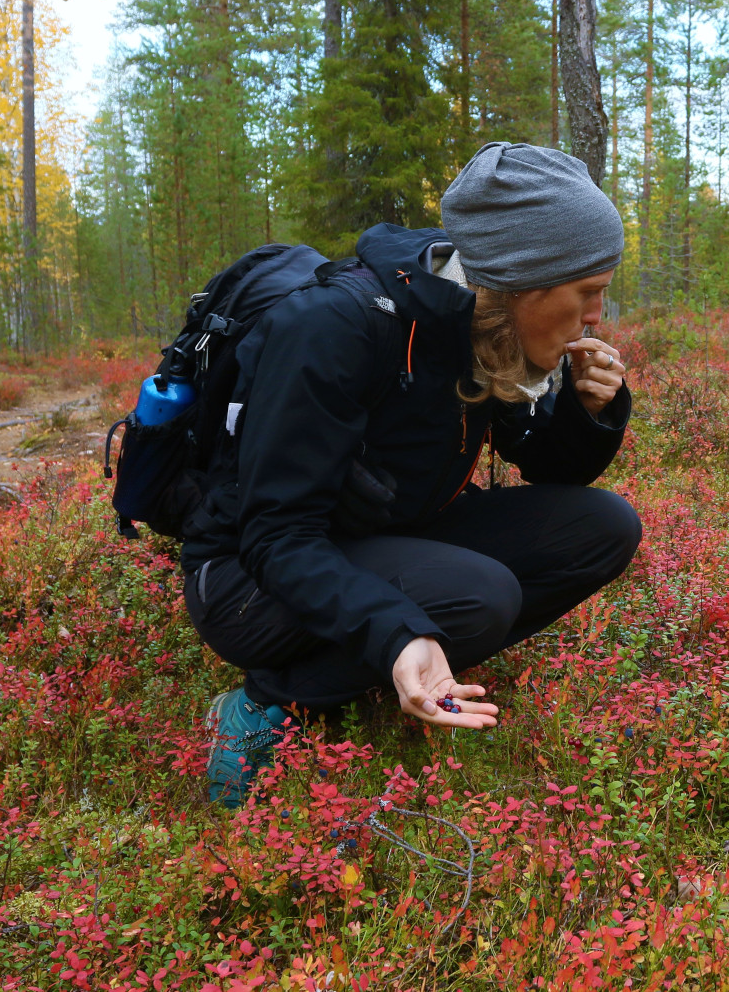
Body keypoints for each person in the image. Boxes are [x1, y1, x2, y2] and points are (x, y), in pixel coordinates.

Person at [180, 142, 642, 806]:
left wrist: (587, 410)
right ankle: (263, 703)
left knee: (604, 527)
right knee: (479, 598)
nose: (597, 315)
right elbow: (275, 537)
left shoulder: (483, 326)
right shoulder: (335, 329)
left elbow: (549, 467)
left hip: (384, 533)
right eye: (587, 293)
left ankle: (389, 653)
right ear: (524, 281)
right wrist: (398, 628)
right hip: (245, 577)